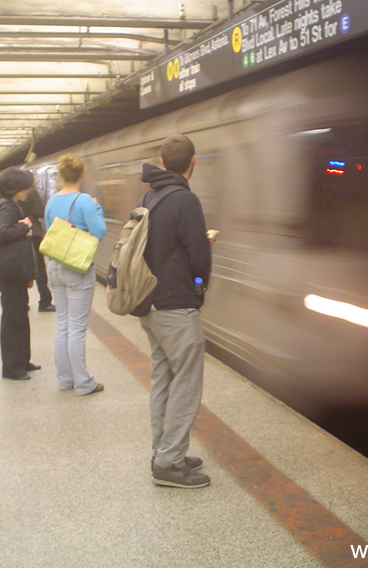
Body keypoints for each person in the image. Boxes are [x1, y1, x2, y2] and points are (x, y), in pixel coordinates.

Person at [139, 134, 213, 488]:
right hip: (176, 305)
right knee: (186, 381)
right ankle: (169, 463)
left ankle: (164, 450)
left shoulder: (149, 195)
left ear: (163, 161)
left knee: (163, 377)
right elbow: (199, 254)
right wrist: (199, 287)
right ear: (192, 162)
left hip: (151, 304)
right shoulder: (185, 199)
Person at [44, 154, 106, 395]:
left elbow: (51, 231)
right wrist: (96, 206)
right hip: (77, 268)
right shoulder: (84, 201)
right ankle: (83, 383)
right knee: (77, 327)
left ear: (60, 175)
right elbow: (99, 232)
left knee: (62, 324)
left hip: (55, 266)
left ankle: (65, 379)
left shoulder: (51, 201)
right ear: (82, 174)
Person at [0, 167, 41, 380]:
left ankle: (22, 360)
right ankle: (12, 367)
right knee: (13, 319)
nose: (29, 190)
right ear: (15, 188)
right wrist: (24, 226)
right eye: (26, 186)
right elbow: (1, 233)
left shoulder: (11, 205)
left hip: (15, 270)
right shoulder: (8, 207)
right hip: (9, 272)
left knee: (20, 316)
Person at [20, 187, 55, 312]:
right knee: (39, 267)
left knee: (22, 267)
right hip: (33, 232)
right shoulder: (31, 191)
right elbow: (40, 211)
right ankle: (44, 301)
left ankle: (23, 302)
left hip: (18, 234)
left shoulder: (10, 195)